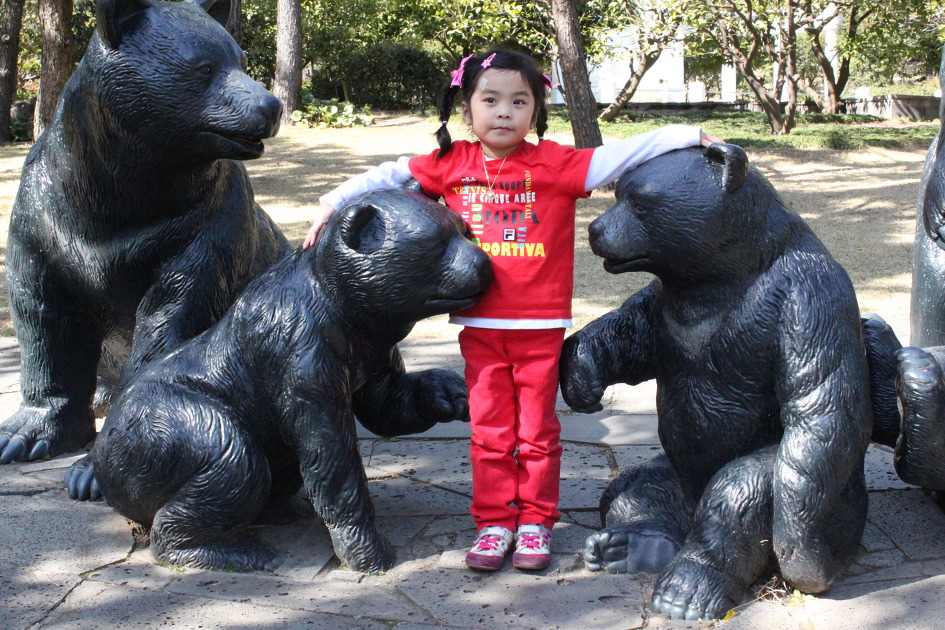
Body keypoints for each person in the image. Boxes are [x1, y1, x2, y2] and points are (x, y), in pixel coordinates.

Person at [303, 48, 721, 572]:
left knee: (537, 433)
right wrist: (329, 202)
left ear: (536, 111)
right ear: (467, 108)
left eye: (519, 101)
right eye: (491, 99)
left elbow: (622, 154)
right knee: (491, 432)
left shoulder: (557, 165)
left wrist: (689, 136)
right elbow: (387, 174)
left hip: (540, 329)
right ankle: (495, 524)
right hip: (479, 327)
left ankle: (534, 526)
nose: (504, 112)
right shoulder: (450, 165)